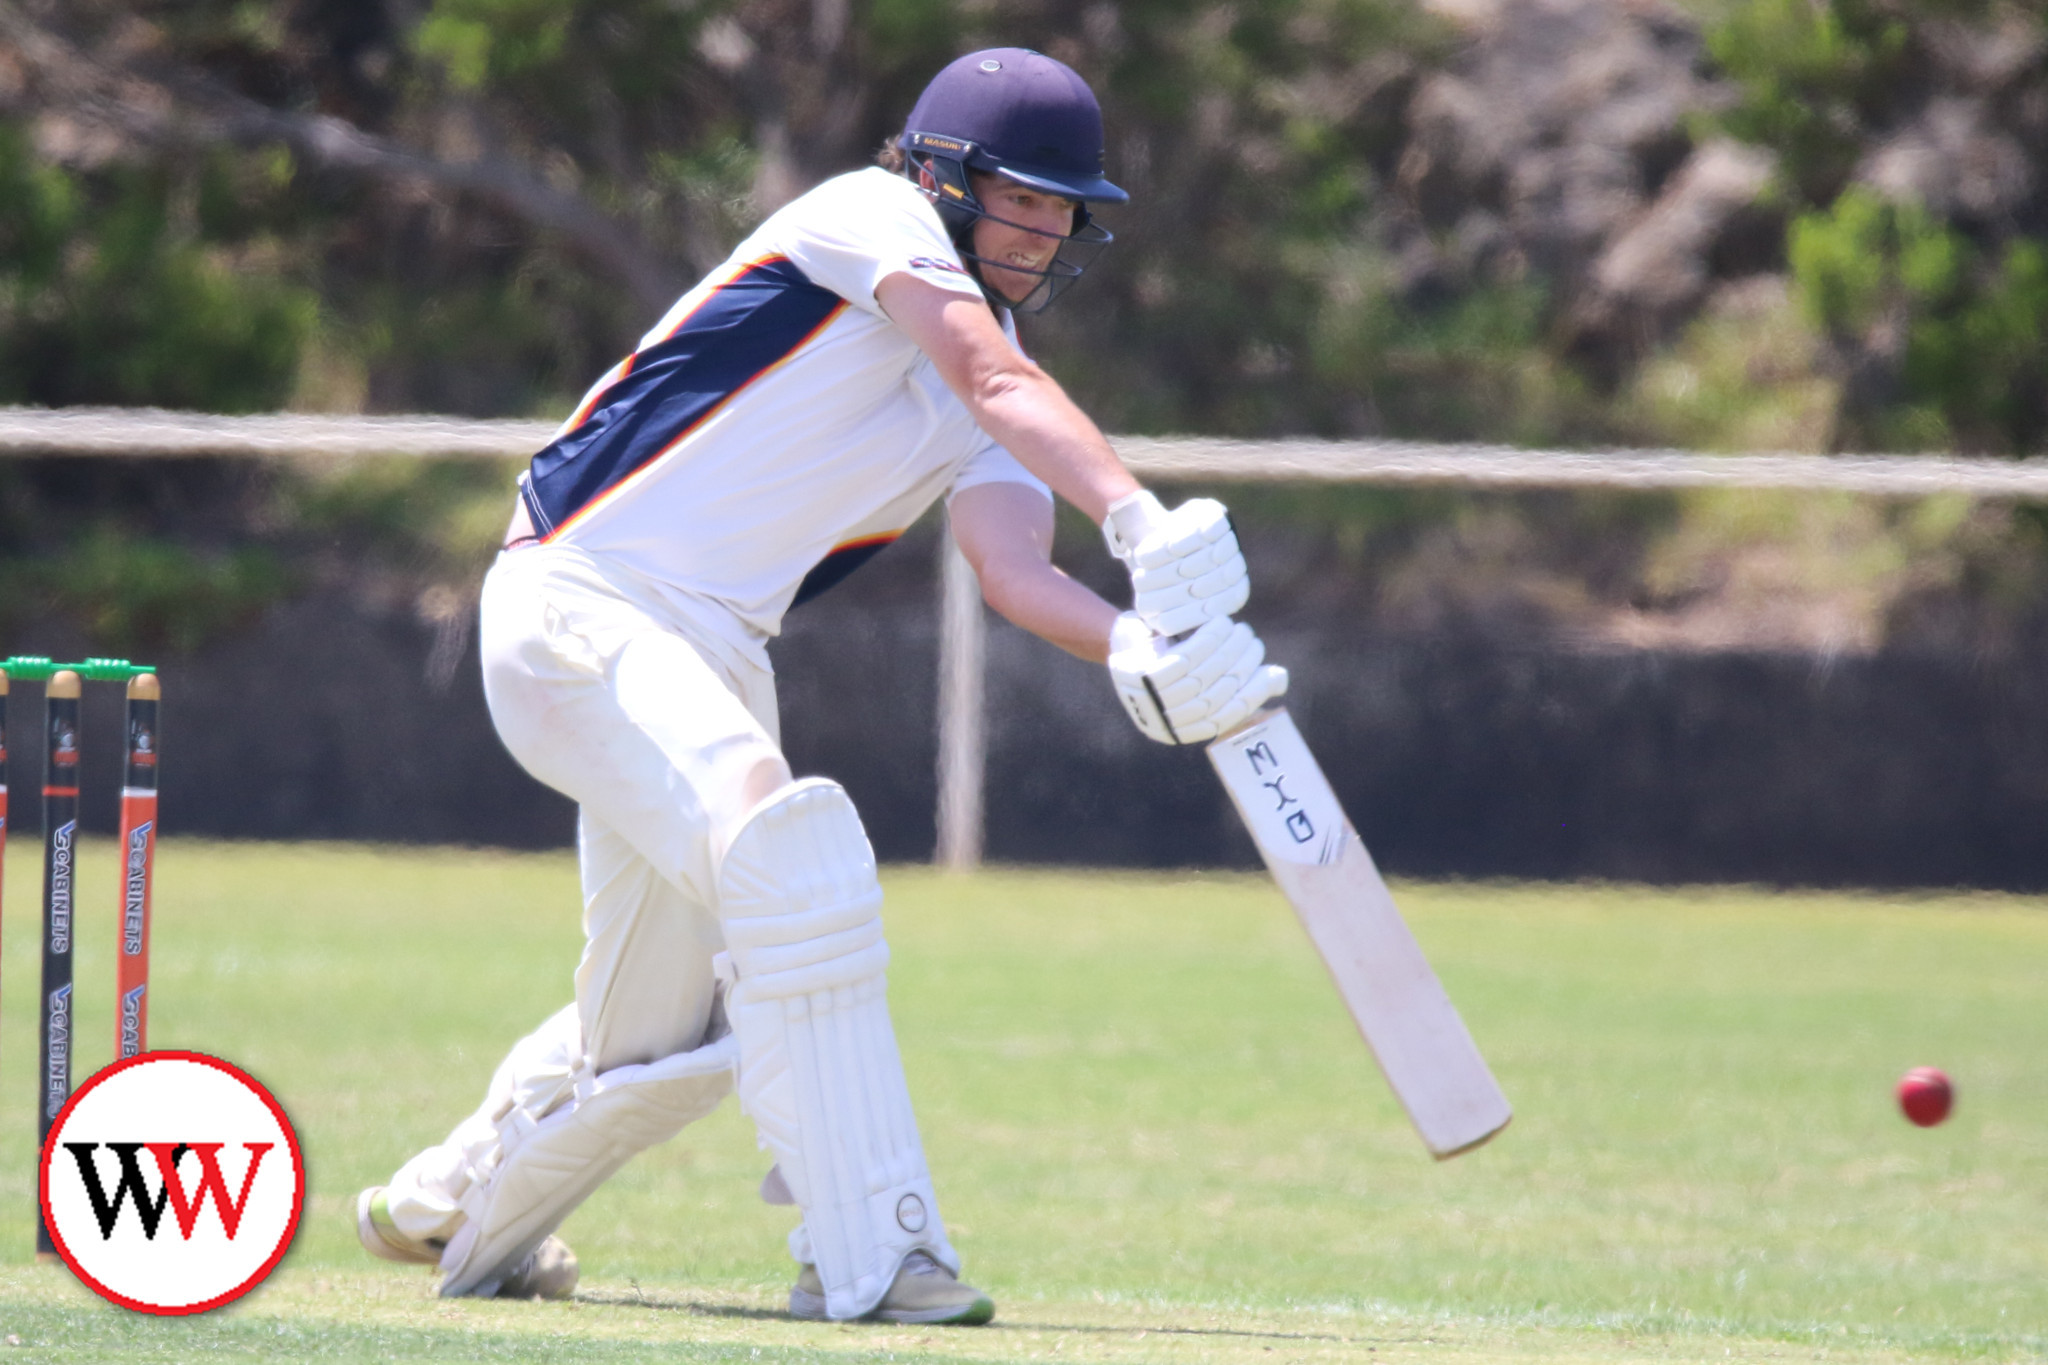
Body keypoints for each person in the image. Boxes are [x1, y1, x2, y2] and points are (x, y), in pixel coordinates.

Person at [354, 46, 1287, 1324]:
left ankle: (451, 1202)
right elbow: (997, 383)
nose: (1048, 228)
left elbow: (1010, 571)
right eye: (1023, 197)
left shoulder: (993, 363)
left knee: (657, 1031)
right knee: (793, 866)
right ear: (945, 178)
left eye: (1067, 208)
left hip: (716, 653)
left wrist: (1135, 647)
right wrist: (1137, 519)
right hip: (581, 598)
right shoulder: (868, 215)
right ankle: (876, 1254)